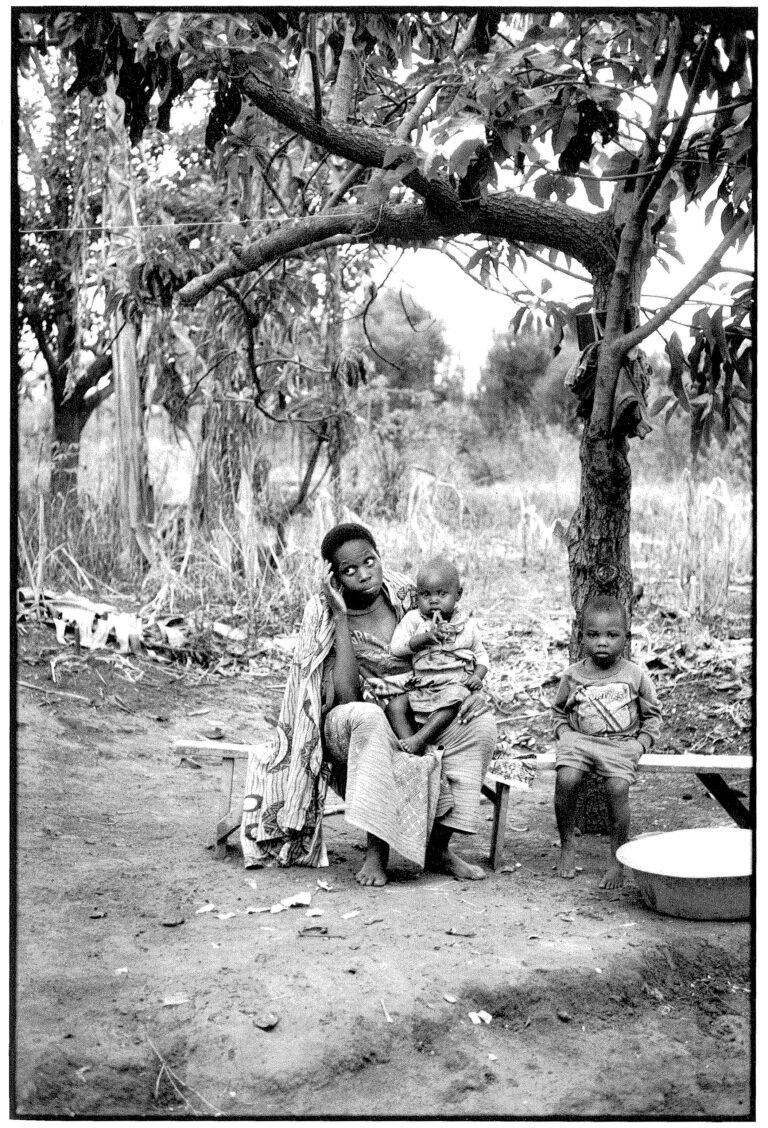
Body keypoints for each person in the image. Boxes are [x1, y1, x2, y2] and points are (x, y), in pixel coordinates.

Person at [240, 522, 497, 887]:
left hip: (417, 706)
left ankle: (440, 847)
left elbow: (457, 654)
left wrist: (469, 692)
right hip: (352, 721)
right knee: (372, 716)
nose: (364, 575)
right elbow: (345, 694)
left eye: (369, 561)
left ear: (380, 558)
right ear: (335, 577)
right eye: (349, 570)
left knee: (480, 726)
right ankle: (377, 852)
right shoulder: (324, 614)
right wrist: (341, 615)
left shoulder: (409, 598)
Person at [552, 594, 661, 889]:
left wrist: (641, 744)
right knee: (566, 779)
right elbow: (559, 711)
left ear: (625, 638)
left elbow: (653, 715)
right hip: (579, 741)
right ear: (580, 637)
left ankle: (616, 859)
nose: (602, 642)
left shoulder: (634, 675)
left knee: (617, 788)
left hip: (621, 744)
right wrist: (564, 733)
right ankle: (567, 845)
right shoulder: (573, 675)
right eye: (593, 635)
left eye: (612, 635)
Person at [385, 557, 489, 756]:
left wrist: (478, 675)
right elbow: (396, 648)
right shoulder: (414, 619)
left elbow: (481, 654)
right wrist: (424, 638)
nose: (434, 600)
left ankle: (420, 739)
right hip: (422, 684)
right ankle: (413, 755)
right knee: (395, 706)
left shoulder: (466, 626)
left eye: (442, 594)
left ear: (458, 594)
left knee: (454, 699)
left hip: (453, 684)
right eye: (426, 594)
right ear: (416, 597)